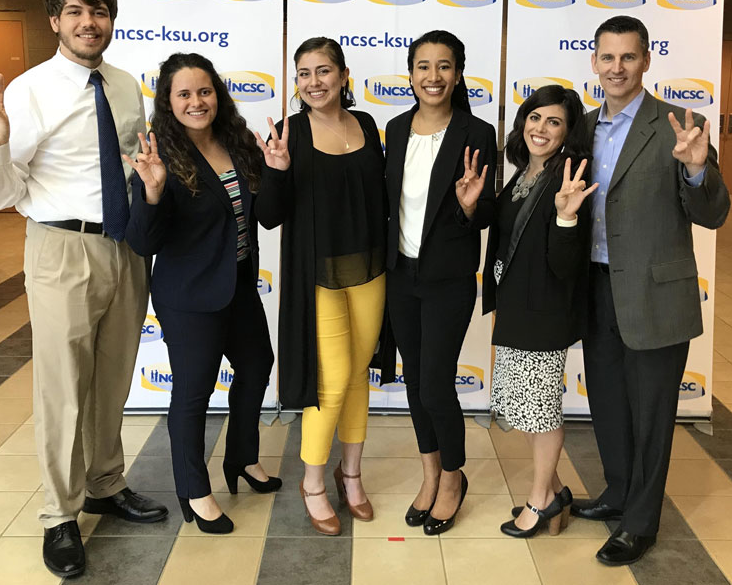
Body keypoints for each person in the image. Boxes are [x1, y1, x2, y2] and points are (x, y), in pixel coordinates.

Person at [0, 0, 167, 578]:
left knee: (112, 377)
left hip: (124, 249)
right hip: (61, 249)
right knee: (61, 388)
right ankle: (59, 514)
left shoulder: (127, 85)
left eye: (101, 11)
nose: (90, 23)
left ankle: (106, 482)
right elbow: (0, 195)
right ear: (55, 19)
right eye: (78, 11)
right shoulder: (27, 92)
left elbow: (134, 163)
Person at [573, 15, 730, 565]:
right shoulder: (582, 126)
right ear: (593, 61)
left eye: (629, 57)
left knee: (652, 415)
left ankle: (640, 522)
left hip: (654, 294)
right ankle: (618, 494)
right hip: (596, 287)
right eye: (607, 57)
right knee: (610, 405)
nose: (617, 68)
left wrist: (695, 170)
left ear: (646, 60)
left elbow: (714, 213)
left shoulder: (679, 125)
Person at [124, 53, 280, 535]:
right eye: (185, 94)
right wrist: (151, 193)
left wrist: (276, 170)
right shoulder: (158, 156)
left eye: (205, 91)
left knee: (257, 366)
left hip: (237, 284)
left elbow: (269, 216)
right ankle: (194, 489)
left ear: (218, 94)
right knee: (192, 395)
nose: (197, 101)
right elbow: (143, 242)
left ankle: (241, 458)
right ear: (168, 103)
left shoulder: (239, 143)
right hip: (189, 296)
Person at [255, 37, 388, 536]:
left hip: (371, 271)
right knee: (330, 383)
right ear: (296, 82)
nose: (314, 82)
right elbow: (269, 217)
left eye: (324, 71)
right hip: (320, 278)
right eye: (304, 73)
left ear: (344, 75)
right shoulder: (292, 132)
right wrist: (277, 171)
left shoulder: (368, 124)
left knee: (358, 374)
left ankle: (350, 473)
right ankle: (313, 481)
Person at [385, 29, 497, 535]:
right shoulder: (394, 128)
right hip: (400, 278)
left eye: (444, 66)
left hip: (448, 281)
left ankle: (453, 479)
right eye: (424, 66)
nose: (433, 76)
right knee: (415, 384)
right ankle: (429, 476)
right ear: (411, 73)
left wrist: (472, 206)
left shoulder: (477, 133)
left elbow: (486, 212)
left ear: (458, 73)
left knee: (435, 384)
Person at [481, 85, 597, 538]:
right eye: (534, 118)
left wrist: (567, 216)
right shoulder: (523, 173)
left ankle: (540, 501)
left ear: (568, 133)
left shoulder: (565, 178)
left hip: (545, 313)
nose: (541, 128)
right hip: (517, 308)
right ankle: (559, 492)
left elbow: (566, 265)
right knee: (525, 410)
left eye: (554, 122)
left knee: (540, 413)